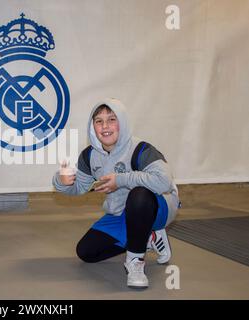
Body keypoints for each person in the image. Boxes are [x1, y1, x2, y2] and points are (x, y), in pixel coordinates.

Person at [53, 98, 180, 289]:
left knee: (139, 194)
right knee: (86, 252)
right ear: (92, 126)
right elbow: (79, 187)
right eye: (99, 121)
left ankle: (135, 261)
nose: (105, 126)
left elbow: (164, 182)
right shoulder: (89, 156)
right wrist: (61, 181)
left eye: (112, 119)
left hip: (160, 205)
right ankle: (149, 237)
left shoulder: (141, 149)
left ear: (123, 123)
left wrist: (120, 179)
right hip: (123, 211)